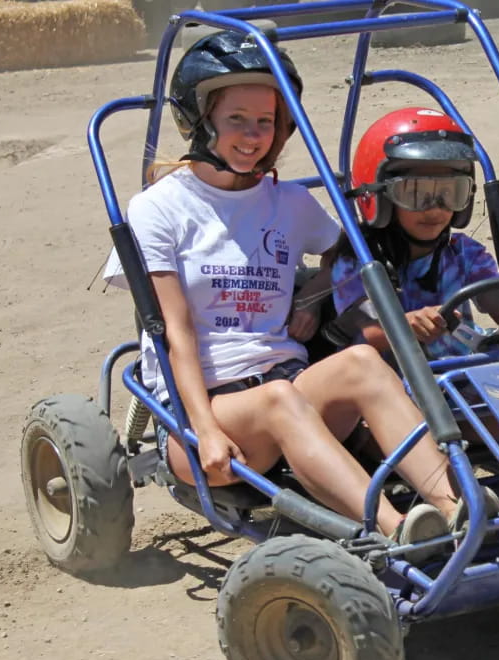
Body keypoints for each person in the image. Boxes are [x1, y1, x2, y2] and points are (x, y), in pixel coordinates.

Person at [102, 31, 458, 555]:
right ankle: (398, 530)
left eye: (265, 122)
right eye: (236, 120)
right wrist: (205, 429)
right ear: (200, 122)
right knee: (278, 398)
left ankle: (456, 507)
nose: (253, 136)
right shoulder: (159, 208)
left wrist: (311, 295)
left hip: (286, 382)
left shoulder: (290, 203)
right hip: (202, 414)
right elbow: (174, 331)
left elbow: (347, 252)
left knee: (359, 360)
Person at [328, 107, 499, 362]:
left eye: (451, 193)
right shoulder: (359, 263)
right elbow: (365, 329)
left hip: (465, 375)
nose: (436, 207)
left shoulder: (464, 253)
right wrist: (407, 324)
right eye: (416, 193)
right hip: (395, 388)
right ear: (380, 197)